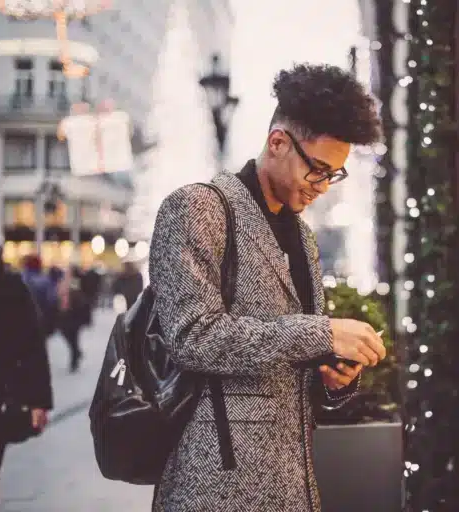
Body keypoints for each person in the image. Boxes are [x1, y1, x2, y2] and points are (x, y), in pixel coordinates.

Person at [148, 63, 386, 512]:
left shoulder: (301, 235)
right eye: (317, 169)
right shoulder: (197, 208)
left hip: (294, 484)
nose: (323, 186)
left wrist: (333, 377)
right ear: (278, 142)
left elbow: (288, 363)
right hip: (214, 485)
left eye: (334, 174)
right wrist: (322, 334)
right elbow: (192, 336)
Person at [0, 224, 53, 511]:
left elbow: (31, 343)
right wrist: (38, 401)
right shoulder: (7, 283)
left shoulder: (7, 284)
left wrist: (38, 400)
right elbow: (32, 344)